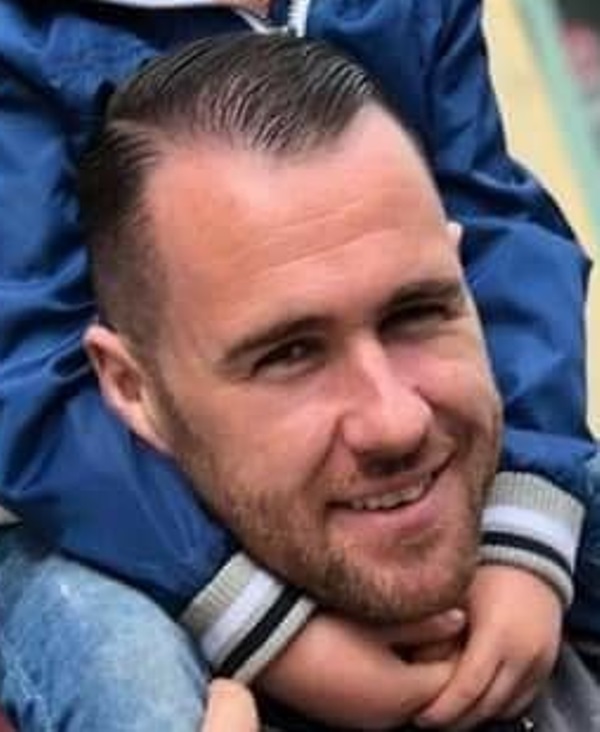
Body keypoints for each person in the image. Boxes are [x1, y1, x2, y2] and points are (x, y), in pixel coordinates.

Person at [0, 0, 596, 728]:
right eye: (289, 353)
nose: (394, 422)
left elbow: (502, 228)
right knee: (125, 669)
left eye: (415, 311)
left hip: (376, 488)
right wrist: (256, 617)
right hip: (82, 516)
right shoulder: (23, 46)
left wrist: (528, 519)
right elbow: (25, 375)